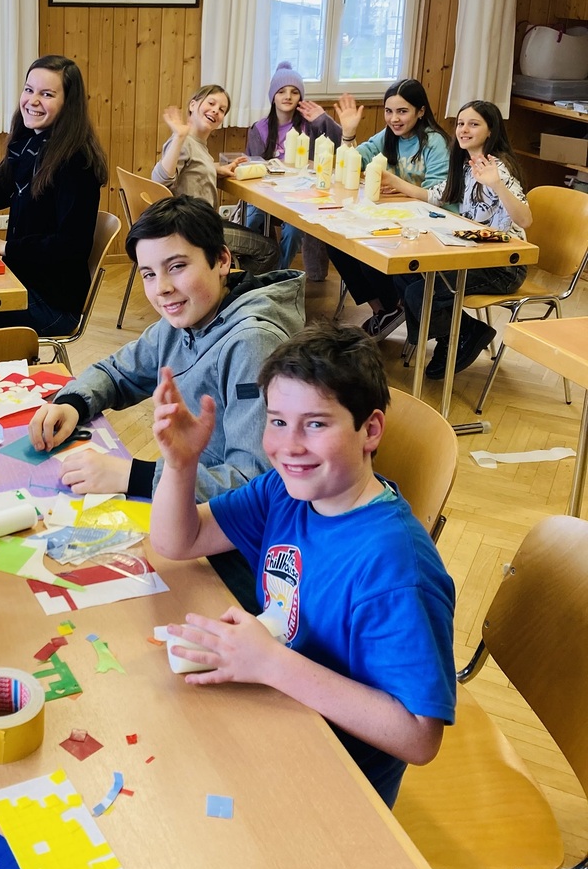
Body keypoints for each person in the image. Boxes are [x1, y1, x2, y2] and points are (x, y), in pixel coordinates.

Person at [148, 322, 456, 808]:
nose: (289, 446)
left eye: (315, 424)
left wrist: (271, 663)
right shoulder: (285, 491)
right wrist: (181, 465)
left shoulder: (395, 567)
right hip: (280, 712)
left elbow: (418, 737)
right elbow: (177, 540)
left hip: (340, 781)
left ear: (370, 430)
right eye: (276, 421)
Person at [29, 197, 305, 608]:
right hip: (188, 511)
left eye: (177, 267)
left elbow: (257, 483)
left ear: (222, 260)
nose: (162, 288)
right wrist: (72, 403)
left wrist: (134, 475)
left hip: (244, 552)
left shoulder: (253, 343)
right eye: (149, 274)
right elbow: (118, 371)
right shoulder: (186, 316)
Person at [0, 56, 108, 336]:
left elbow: (71, 245)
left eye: (47, 94)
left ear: (68, 104)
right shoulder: (31, 145)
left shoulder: (77, 162)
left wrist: (4, 247)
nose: (32, 101)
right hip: (21, 280)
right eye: (29, 90)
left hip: (52, 304)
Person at [383, 100, 531, 379]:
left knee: (419, 293)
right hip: (471, 255)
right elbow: (434, 195)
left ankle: (459, 337)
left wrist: (497, 184)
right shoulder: (465, 165)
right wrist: (390, 179)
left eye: (473, 124)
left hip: (503, 266)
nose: (463, 129)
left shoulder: (498, 169)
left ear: (491, 131)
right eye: (461, 123)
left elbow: (525, 220)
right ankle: (461, 332)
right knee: (404, 273)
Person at [327, 79, 451, 338]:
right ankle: (384, 310)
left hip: (427, 225)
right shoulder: (387, 136)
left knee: (370, 249)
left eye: (402, 111)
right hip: (395, 218)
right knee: (337, 242)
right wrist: (348, 135)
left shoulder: (434, 142)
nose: (394, 119)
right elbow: (350, 164)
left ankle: (395, 306)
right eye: (389, 111)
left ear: (421, 111)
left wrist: (399, 185)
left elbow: (437, 197)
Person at [152, 83, 278, 276]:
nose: (215, 111)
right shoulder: (183, 142)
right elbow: (160, 181)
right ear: (193, 105)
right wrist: (178, 137)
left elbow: (191, 169)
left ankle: (217, 278)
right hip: (195, 228)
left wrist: (216, 169)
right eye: (211, 103)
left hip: (199, 223)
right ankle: (221, 285)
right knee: (269, 250)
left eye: (221, 110)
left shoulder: (196, 144)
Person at [244, 61, 341, 275]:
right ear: (273, 97)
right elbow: (253, 165)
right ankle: (251, 267)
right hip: (266, 193)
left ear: (300, 98)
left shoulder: (310, 126)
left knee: (295, 229)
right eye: (281, 91)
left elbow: (338, 143)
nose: (288, 96)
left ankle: (279, 272)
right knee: (251, 218)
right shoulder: (259, 128)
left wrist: (324, 120)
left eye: (294, 92)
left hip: (300, 195)